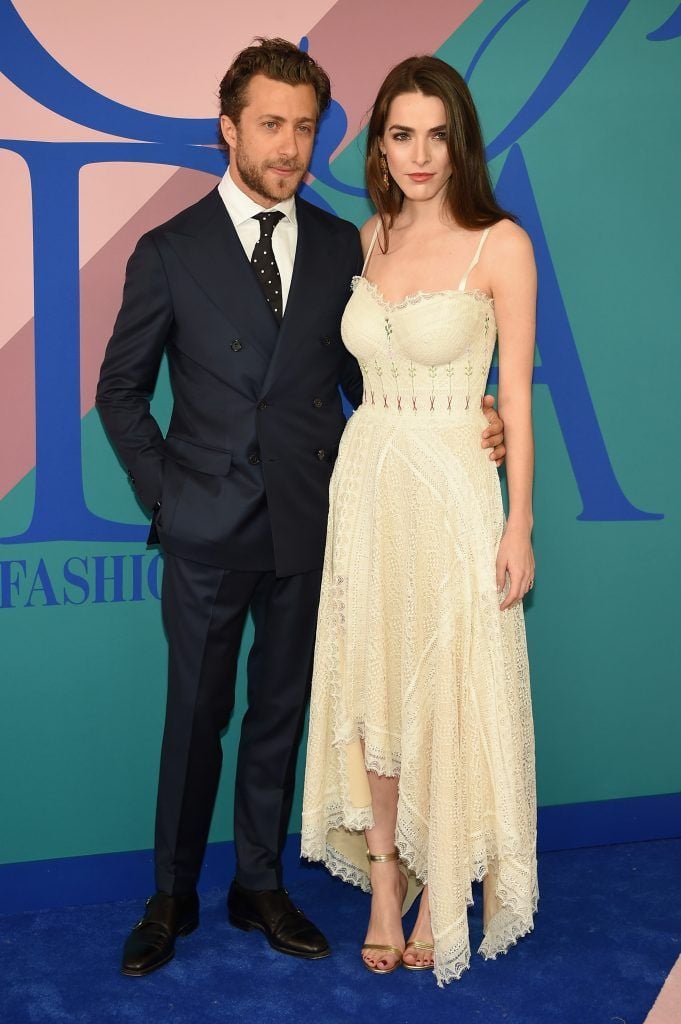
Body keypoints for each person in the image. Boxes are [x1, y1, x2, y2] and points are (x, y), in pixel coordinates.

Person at [96, 39, 506, 977]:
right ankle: (170, 898)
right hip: (207, 528)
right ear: (227, 129)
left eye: (304, 126)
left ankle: (258, 885)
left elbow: (373, 381)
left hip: (314, 523)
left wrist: (468, 418)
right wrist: (170, 496)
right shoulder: (168, 251)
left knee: (281, 712)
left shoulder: (341, 243)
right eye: (270, 124)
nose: (287, 145)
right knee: (194, 716)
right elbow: (120, 392)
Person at [301, 55, 537, 986]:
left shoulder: (499, 243)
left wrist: (518, 524)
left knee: (445, 690)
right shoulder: (368, 237)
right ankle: (388, 883)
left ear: (461, 140)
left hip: (451, 496)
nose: (419, 153)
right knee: (376, 694)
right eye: (401, 133)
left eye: (437, 133)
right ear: (378, 145)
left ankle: (451, 881)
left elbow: (510, 399)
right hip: (366, 491)